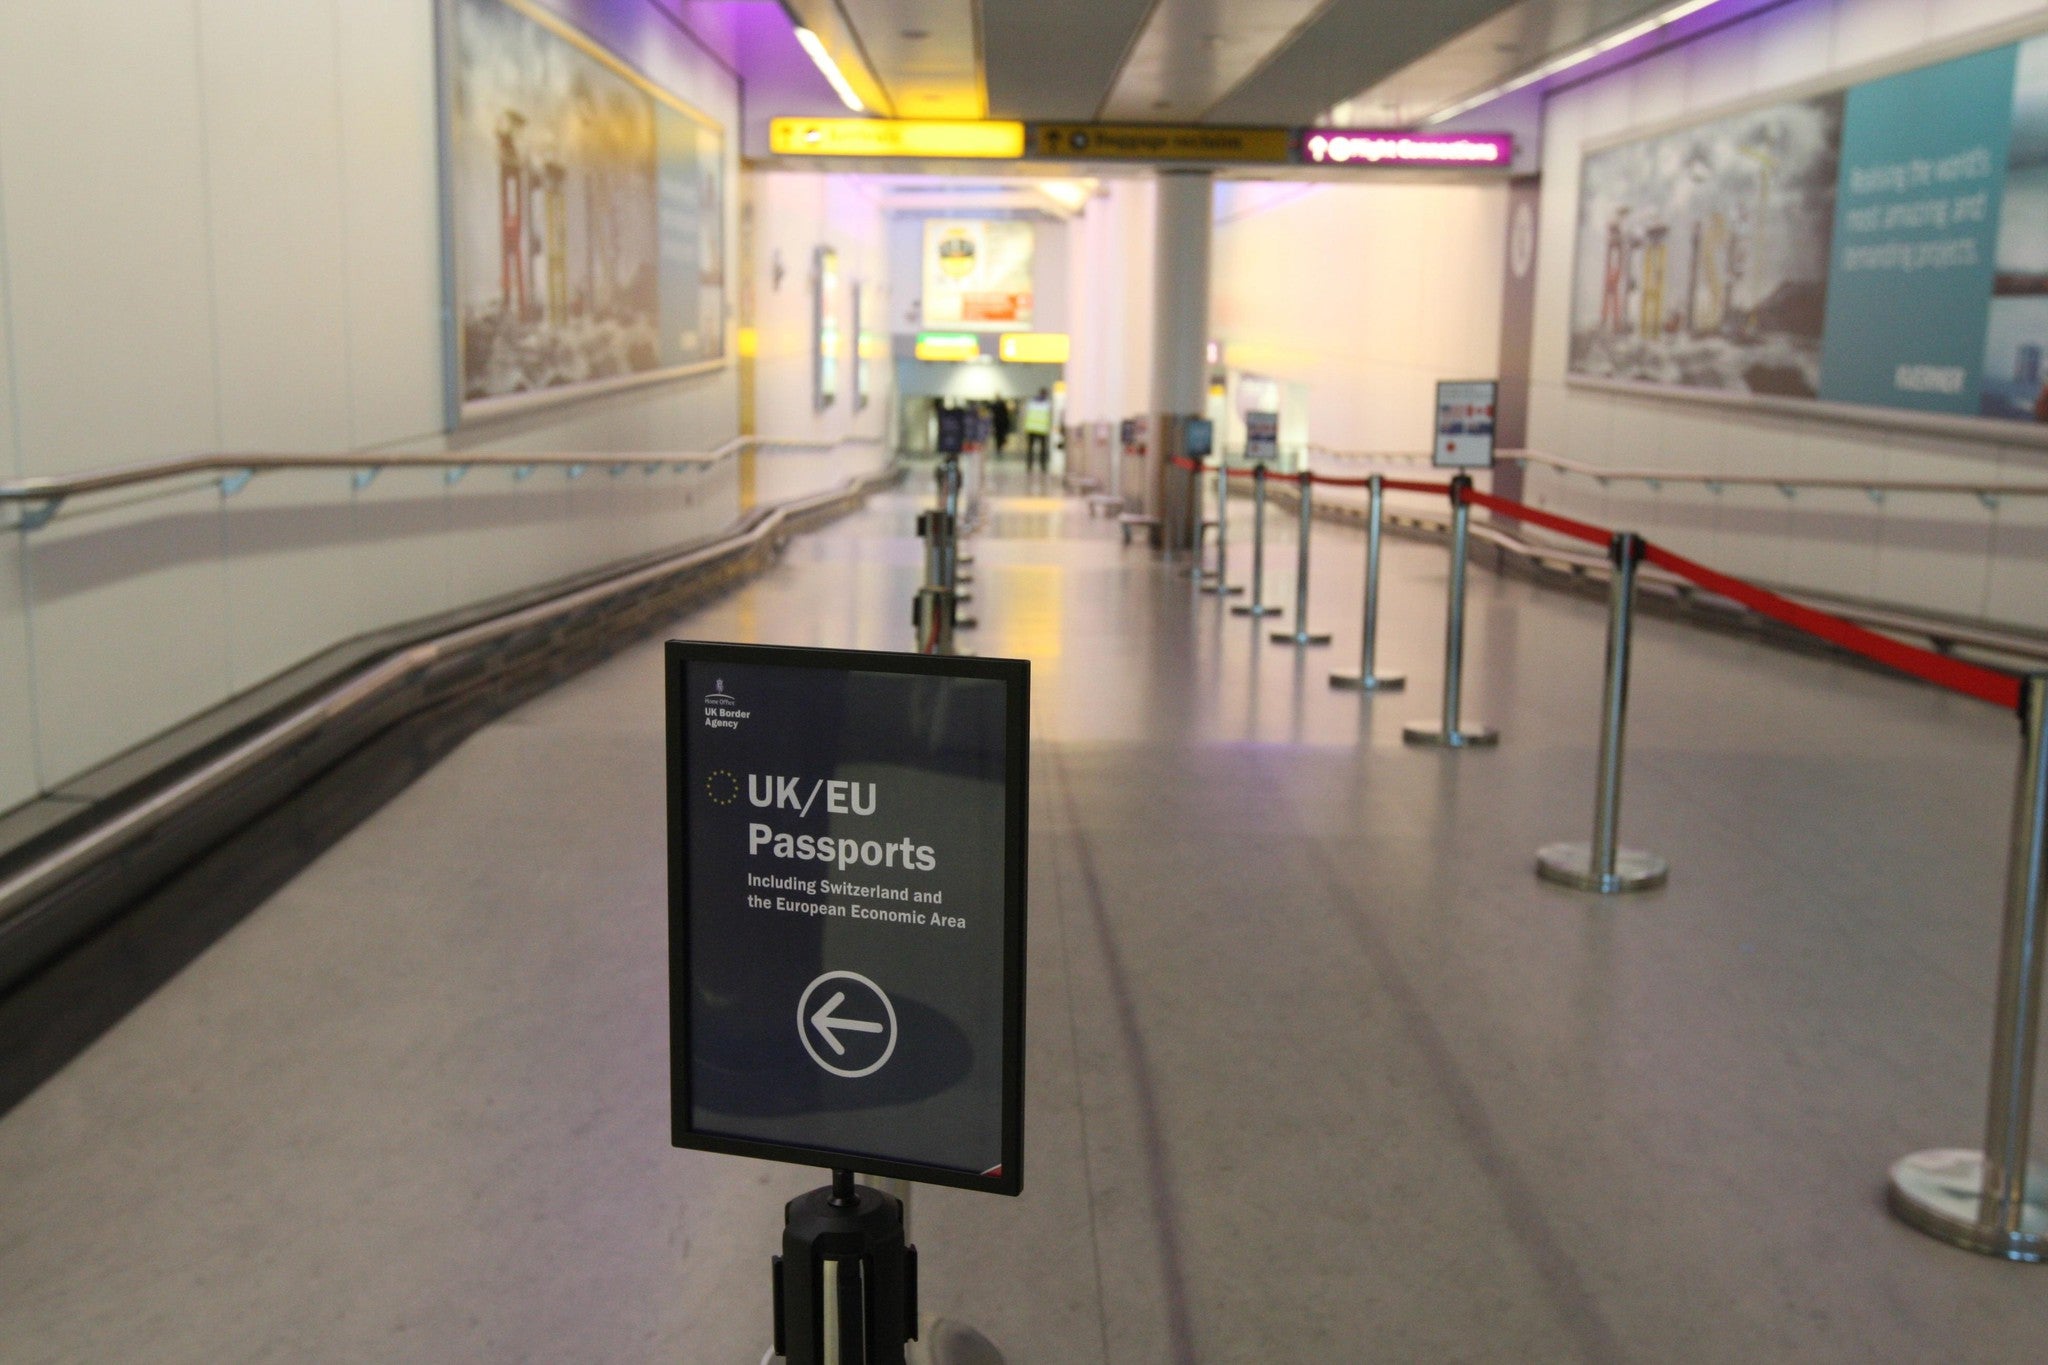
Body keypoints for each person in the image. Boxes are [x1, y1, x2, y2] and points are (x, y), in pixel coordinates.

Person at [1022, 389, 1052, 473]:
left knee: (1030, 449)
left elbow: (1024, 414)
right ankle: (1043, 466)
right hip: (1042, 429)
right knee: (1042, 449)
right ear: (1045, 394)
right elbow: (1050, 416)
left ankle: (1029, 465)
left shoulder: (1031, 402)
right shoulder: (1047, 404)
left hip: (1031, 428)